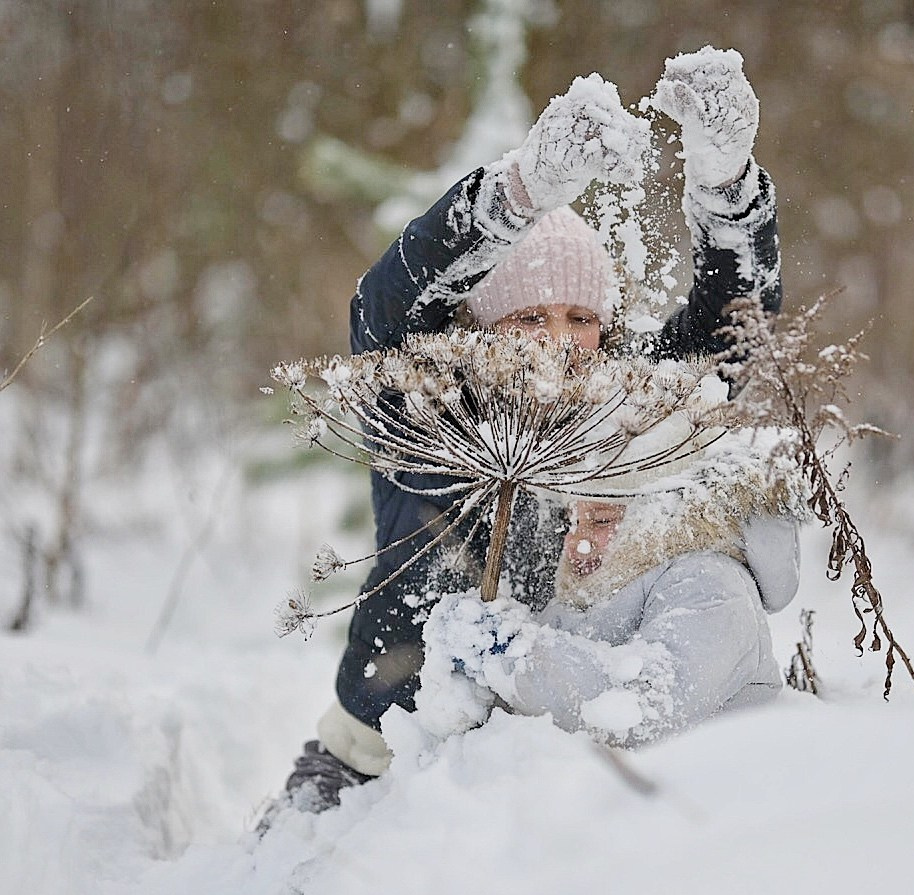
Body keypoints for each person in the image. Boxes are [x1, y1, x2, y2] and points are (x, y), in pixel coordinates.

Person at [271, 47, 784, 816]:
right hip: (369, 759)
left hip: (520, 771)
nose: (557, 338)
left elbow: (730, 338)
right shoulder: (436, 407)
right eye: (528, 316)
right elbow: (388, 303)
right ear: (479, 323)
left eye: (580, 318)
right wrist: (516, 194)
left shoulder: (625, 415)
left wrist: (728, 188)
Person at [418, 435, 806, 746]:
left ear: (663, 512)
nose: (577, 544)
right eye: (573, 522)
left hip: (706, 818)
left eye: (601, 520)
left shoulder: (711, 585)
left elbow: (643, 708)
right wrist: (466, 683)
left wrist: (512, 654)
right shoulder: (595, 594)